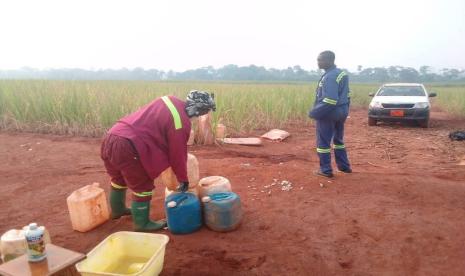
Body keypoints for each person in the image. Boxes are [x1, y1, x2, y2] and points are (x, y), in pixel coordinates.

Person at [101, 90, 216, 231]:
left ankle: (118, 210)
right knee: (142, 186)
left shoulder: (169, 99)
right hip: (129, 146)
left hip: (112, 136)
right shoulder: (181, 123)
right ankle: (142, 225)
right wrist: (183, 179)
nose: (201, 115)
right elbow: (178, 154)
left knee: (118, 179)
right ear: (198, 110)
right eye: (203, 112)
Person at [309, 51, 352, 178]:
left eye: (320, 60)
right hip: (341, 112)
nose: (318, 62)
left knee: (323, 143)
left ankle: (325, 170)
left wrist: (315, 112)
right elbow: (348, 95)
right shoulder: (341, 74)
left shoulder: (330, 76)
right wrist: (344, 112)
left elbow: (330, 100)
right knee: (338, 140)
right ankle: (344, 167)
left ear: (329, 60)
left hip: (329, 113)